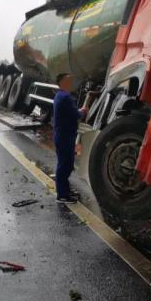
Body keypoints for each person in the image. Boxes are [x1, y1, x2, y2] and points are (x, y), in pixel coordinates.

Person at [53, 73, 87, 204]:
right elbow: (76, 114)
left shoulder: (59, 95)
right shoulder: (66, 97)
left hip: (62, 135)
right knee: (64, 165)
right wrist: (83, 111)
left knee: (66, 164)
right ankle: (62, 196)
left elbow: (69, 112)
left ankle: (66, 191)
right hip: (64, 136)